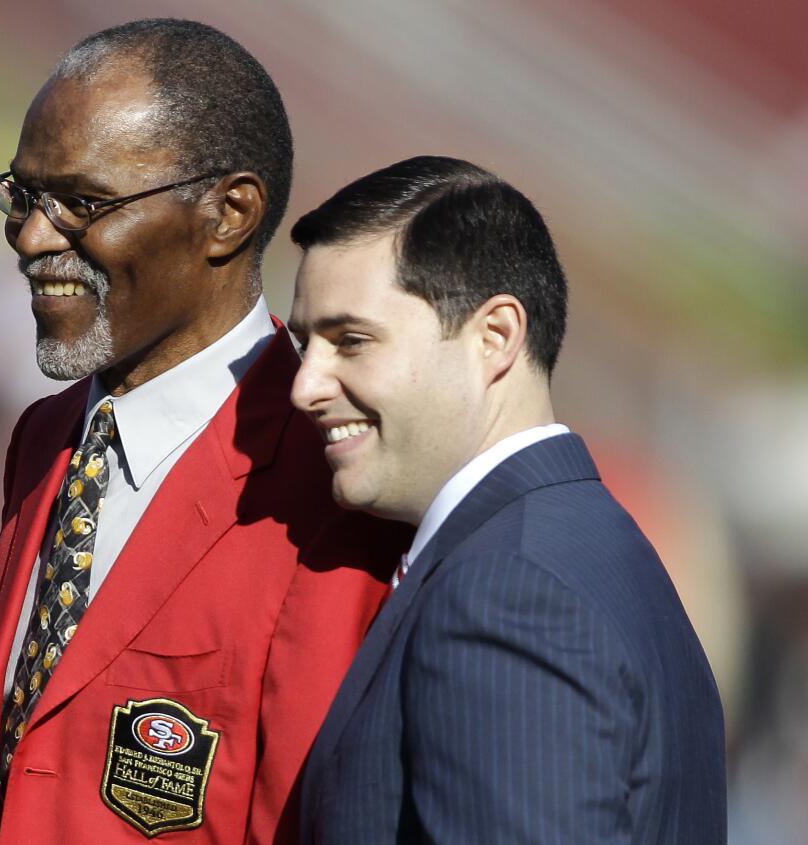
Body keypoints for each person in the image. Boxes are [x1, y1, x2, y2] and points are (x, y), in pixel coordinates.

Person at [0, 19, 399, 845]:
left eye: (82, 203)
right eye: (22, 196)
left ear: (228, 214)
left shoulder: (332, 478)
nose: (31, 236)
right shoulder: (45, 439)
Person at [288, 156, 727, 843]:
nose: (306, 384)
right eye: (304, 343)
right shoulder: (590, 546)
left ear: (494, 337)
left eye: (351, 341)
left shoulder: (507, 590)